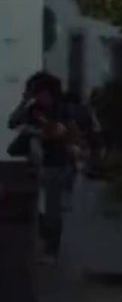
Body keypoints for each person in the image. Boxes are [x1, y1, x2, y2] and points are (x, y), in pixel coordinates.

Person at [7, 72, 74, 263]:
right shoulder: (33, 109)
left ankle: (52, 248)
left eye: (39, 94)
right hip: (38, 163)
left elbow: (62, 133)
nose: (38, 98)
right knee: (34, 206)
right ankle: (45, 240)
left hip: (57, 163)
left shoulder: (62, 110)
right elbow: (12, 122)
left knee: (52, 209)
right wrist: (24, 102)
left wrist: (41, 131)